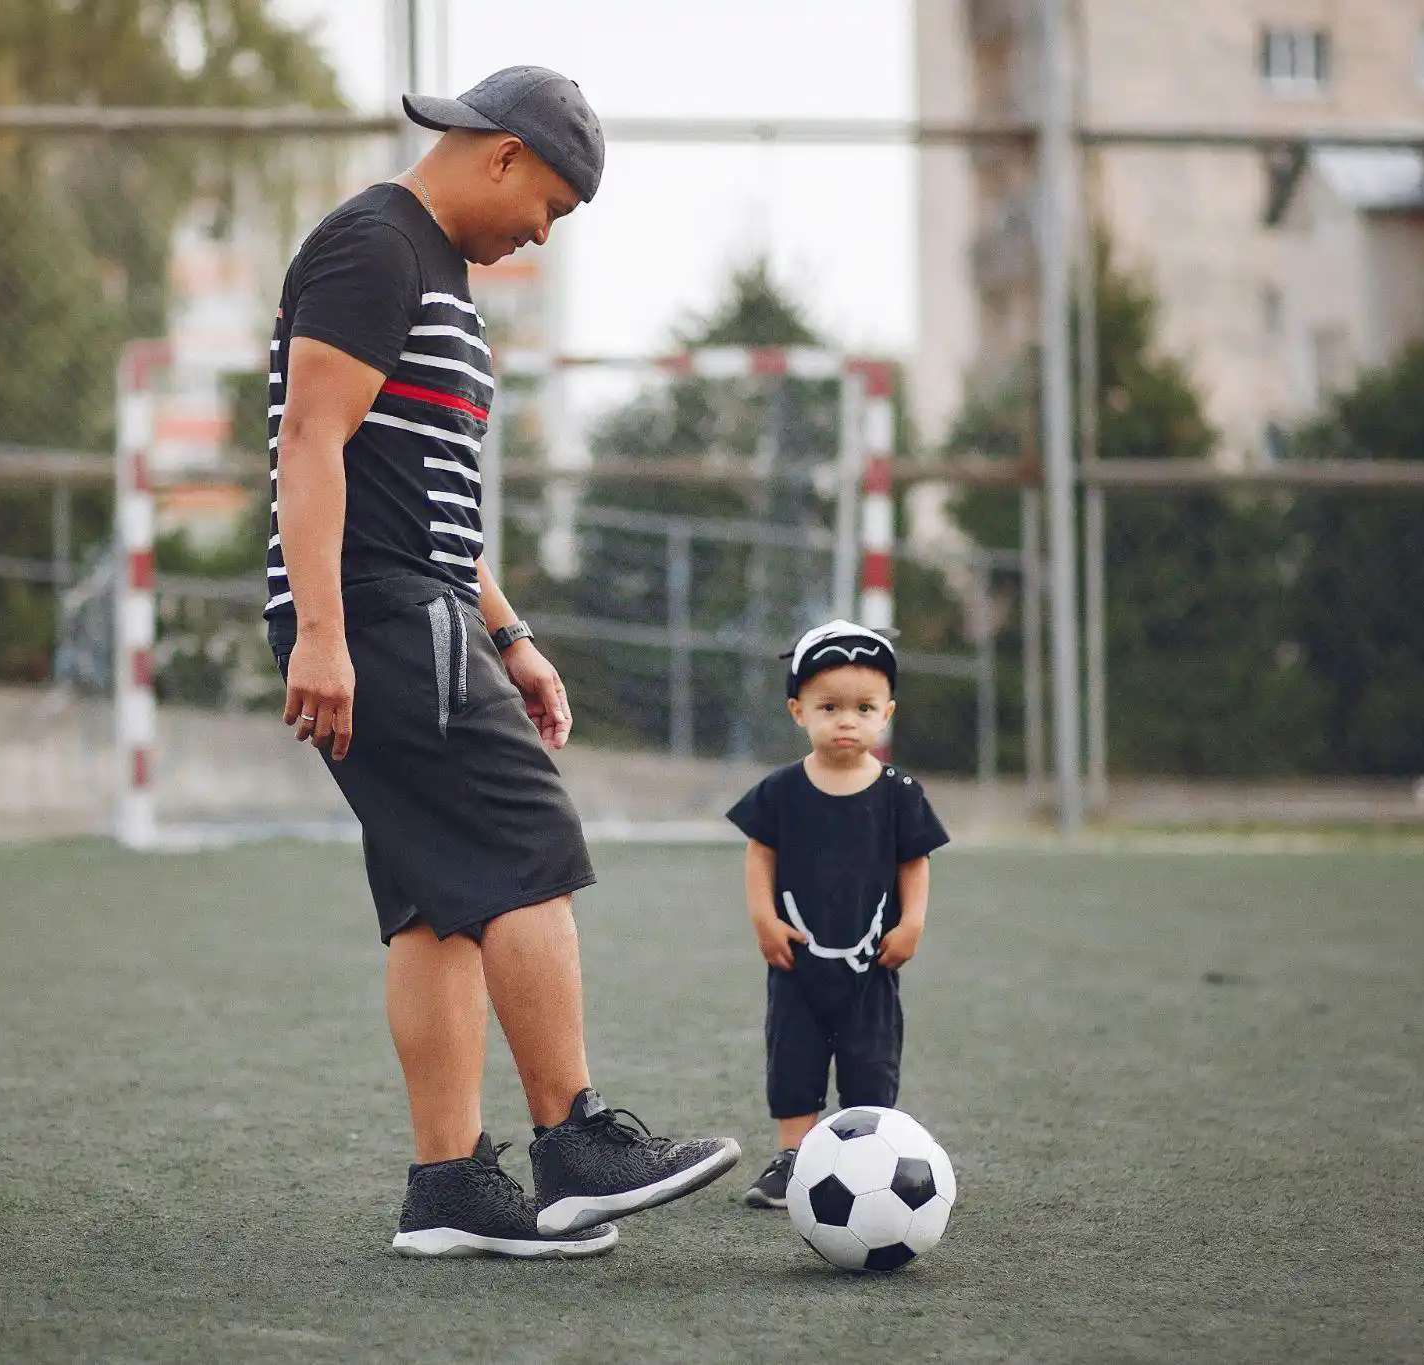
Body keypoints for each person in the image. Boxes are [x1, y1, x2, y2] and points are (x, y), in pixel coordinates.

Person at [265, 65, 740, 1259]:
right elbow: (310, 439)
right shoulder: (375, 246)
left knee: (435, 900)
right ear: (503, 154)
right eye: (550, 206)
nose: (541, 232)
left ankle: (451, 1189)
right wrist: (321, 629)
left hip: (411, 604)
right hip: (379, 609)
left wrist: (510, 632)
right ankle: (574, 1147)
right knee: (526, 840)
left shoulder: (436, 275)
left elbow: (427, 489)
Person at [725, 620, 950, 1209]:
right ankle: (793, 1158)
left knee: (870, 1063)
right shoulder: (781, 790)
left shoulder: (900, 792)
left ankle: (866, 1158)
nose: (847, 720)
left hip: (872, 964)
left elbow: (914, 862)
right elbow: (760, 854)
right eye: (829, 707)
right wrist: (763, 919)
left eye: (864, 708)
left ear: (887, 713)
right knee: (793, 1060)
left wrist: (912, 923)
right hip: (796, 961)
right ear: (798, 711)